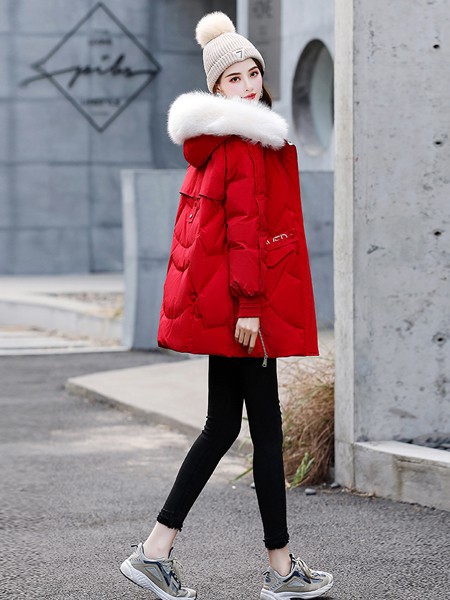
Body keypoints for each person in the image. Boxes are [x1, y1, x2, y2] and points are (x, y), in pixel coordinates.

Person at [120, 11, 333, 600]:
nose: (248, 86)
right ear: (216, 88)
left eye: (253, 73)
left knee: (225, 427)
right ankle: (276, 570)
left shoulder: (224, 141)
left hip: (235, 307)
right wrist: (252, 308)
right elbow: (243, 232)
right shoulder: (242, 144)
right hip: (246, 310)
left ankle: (160, 551)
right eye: (233, 78)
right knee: (261, 432)